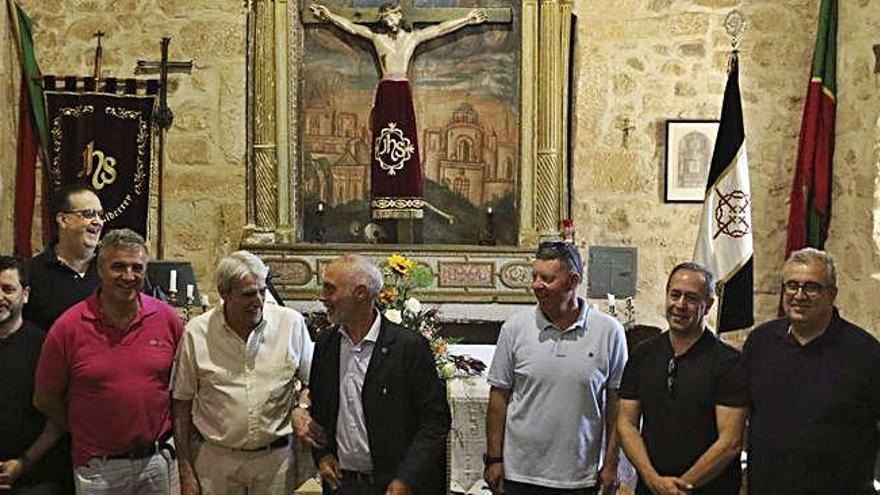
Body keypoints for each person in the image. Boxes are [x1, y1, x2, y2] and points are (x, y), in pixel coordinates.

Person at [33, 229, 184, 494]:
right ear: (100, 269)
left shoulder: (166, 319)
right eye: (118, 267)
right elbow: (45, 398)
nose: (128, 276)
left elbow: (182, 390)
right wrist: (86, 428)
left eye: (137, 267)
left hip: (157, 463)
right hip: (99, 470)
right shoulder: (68, 327)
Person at [309, 1, 487, 223]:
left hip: (402, 90)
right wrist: (329, 16)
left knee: (404, 139)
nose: (389, 21)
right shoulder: (378, 39)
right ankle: (385, 192)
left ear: (400, 17)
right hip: (386, 90)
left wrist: (467, 19)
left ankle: (406, 193)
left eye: (392, 17)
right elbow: (353, 28)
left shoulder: (412, 38)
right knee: (384, 140)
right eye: (386, 18)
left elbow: (440, 29)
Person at [485, 241, 628, 494]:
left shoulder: (608, 331)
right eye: (534, 276)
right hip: (520, 474)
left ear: (572, 281)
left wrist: (611, 463)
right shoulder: (515, 328)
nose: (536, 285)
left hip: (579, 476)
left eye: (547, 278)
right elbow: (499, 397)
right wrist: (494, 459)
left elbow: (617, 403)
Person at [172, 251, 315, 494]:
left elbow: (313, 380)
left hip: (275, 462)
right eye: (248, 294)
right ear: (224, 293)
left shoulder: (290, 324)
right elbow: (181, 404)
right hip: (217, 462)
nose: (259, 301)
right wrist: (185, 470)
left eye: (262, 291)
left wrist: (301, 408)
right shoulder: (197, 333)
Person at [308, 254, 450, 494]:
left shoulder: (408, 346)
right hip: (342, 483)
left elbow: (435, 421)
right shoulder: (326, 344)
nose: (322, 297)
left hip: (394, 485)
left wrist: (407, 478)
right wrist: (322, 456)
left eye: (330, 289)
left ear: (360, 293)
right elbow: (319, 409)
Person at [742, 248, 880, 495]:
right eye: (791, 286)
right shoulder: (760, 343)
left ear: (832, 294)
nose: (799, 295)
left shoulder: (866, 353)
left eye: (812, 287)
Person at [617, 262, 747, 495]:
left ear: (707, 306)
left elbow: (730, 442)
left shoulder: (728, 363)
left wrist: (681, 487)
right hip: (652, 488)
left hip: (709, 489)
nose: (680, 305)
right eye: (674, 295)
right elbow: (626, 424)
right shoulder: (642, 355)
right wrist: (652, 479)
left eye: (691, 298)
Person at [0, 256, 64, 493]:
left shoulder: (46, 346)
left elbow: (59, 417)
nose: (0, 297)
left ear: (25, 294)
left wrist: (23, 463)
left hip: (35, 479)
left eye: (7, 289)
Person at [24, 184, 104, 331]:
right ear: (63, 220)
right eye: (89, 214)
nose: (98, 221)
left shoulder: (112, 269)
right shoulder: (31, 273)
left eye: (100, 215)